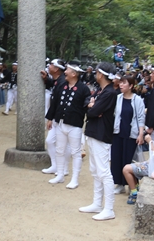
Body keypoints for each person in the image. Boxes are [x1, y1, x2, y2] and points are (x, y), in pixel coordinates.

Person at [79, 61, 117, 221]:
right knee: (95, 170)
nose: (95, 74)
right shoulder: (101, 91)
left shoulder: (109, 93)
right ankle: (97, 203)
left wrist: (92, 107)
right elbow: (88, 105)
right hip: (94, 132)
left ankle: (109, 209)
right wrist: (91, 105)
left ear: (101, 74)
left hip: (101, 134)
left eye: (97, 72)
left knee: (103, 172)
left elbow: (93, 112)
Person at [45, 61, 91, 189]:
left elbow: (87, 104)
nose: (65, 72)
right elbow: (55, 102)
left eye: (67, 70)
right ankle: (60, 174)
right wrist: (50, 118)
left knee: (75, 152)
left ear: (74, 74)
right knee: (59, 150)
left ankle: (74, 179)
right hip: (60, 122)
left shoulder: (83, 89)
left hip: (75, 125)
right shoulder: (62, 86)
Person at [110, 75, 145, 195]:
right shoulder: (118, 98)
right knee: (117, 159)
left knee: (129, 160)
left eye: (124, 83)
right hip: (118, 132)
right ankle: (119, 184)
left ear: (131, 86)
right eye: (120, 82)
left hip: (131, 134)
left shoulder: (137, 100)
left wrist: (141, 134)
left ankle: (132, 185)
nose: (121, 85)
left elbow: (141, 117)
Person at [40, 59, 66, 175]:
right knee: (50, 141)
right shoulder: (58, 81)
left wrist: (51, 118)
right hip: (56, 116)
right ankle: (55, 165)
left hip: (61, 117)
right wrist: (46, 79)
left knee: (63, 144)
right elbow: (53, 84)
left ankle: (63, 168)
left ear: (56, 69)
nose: (49, 66)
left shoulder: (62, 82)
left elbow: (56, 102)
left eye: (51, 65)